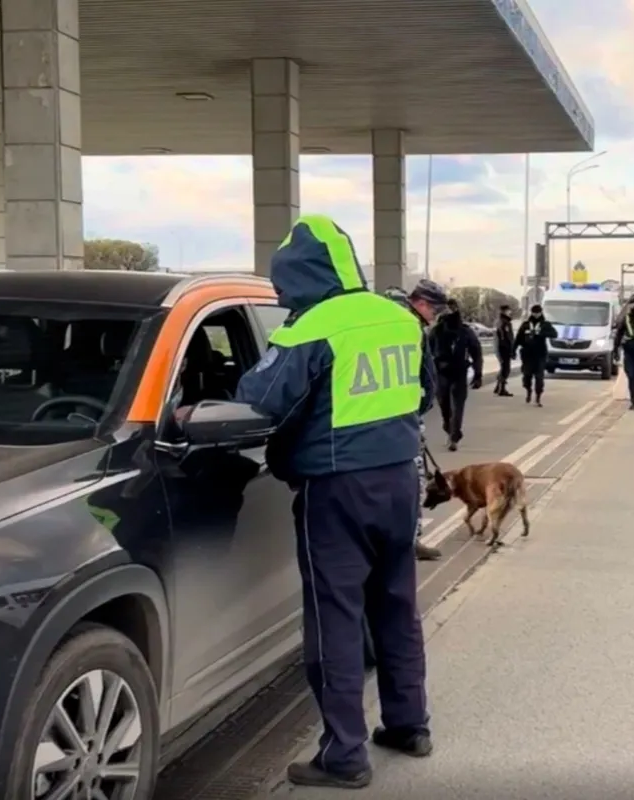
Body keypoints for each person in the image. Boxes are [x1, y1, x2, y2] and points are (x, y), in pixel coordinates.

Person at [234, 216, 432, 788]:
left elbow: (258, 400)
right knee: (396, 606)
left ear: (300, 274)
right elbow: (424, 395)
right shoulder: (400, 318)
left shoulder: (311, 328)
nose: (281, 295)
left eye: (284, 283)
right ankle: (409, 725)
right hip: (400, 479)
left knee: (335, 618)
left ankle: (344, 755)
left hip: (337, 488)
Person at [384, 280, 451, 562]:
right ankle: (409, 541)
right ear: (421, 303)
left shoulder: (381, 321)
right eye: (434, 312)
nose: (434, 318)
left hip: (371, 417)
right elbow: (427, 377)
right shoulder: (411, 328)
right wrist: (419, 409)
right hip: (404, 418)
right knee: (413, 482)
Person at [428, 299, 483, 451]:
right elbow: (426, 353)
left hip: (459, 373)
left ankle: (454, 436)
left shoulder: (465, 331)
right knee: (445, 407)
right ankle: (449, 428)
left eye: (452, 308)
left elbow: (476, 352)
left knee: (457, 407)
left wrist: (478, 374)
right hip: (441, 373)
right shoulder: (436, 331)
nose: (449, 311)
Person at [514, 304, 557, 406]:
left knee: (539, 377)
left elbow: (554, 334)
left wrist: (541, 333)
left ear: (541, 313)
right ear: (531, 313)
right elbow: (518, 338)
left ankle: (538, 397)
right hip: (527, 355)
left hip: (540, 355)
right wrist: (513, 350)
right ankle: (528, 390)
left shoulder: (545, 324)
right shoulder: (525, 325)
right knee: (527, 376)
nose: (536, 314)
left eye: (538, 312)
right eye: (534, 312)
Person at [493, 304, 516, 397]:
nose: (510, 312)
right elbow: (507, 338)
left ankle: (498, 387)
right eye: (508, 310)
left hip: (499, 347)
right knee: (506, 369)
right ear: (505, 311)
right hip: (504, 348)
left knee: (503, 367)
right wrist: (511, 349)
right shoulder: (505, 322)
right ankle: (501, 389)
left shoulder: (498, 321)